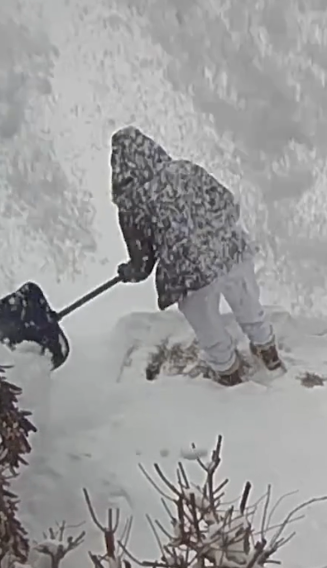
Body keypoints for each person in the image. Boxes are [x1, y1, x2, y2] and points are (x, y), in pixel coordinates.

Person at [110, 126, 283, 386]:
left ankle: (229, 374)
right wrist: (208, 231)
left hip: (190, 274)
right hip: (229, 250)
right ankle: (267, 352)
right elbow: (227, 203)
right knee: (248, 305)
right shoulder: (184, 170)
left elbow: (142, 263)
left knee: (209, 327)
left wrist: (128, 271)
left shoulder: (131, 202)